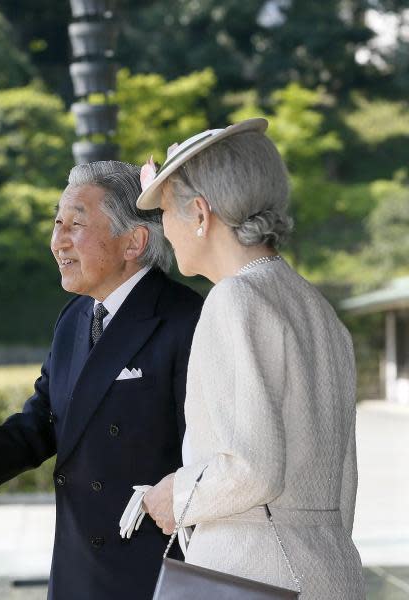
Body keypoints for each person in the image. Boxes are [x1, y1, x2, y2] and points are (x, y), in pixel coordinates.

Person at [0, 161, 204, 599]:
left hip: (155, 575)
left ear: (134, 241)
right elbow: (46, 417)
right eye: (57, 223)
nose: (57, 241)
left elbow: (208, 458)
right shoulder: (75, 317)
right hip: (79, 568)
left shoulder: (186, 320)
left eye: (76, 224)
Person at [136, 119, 365, 598]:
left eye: (166, 214)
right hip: (331, 568)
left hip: (254, 574)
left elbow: (253, 469)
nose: (166, 231)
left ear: (200, 213)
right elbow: (342, 479)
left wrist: (173, 496)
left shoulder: (234, 299)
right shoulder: (316, 309)